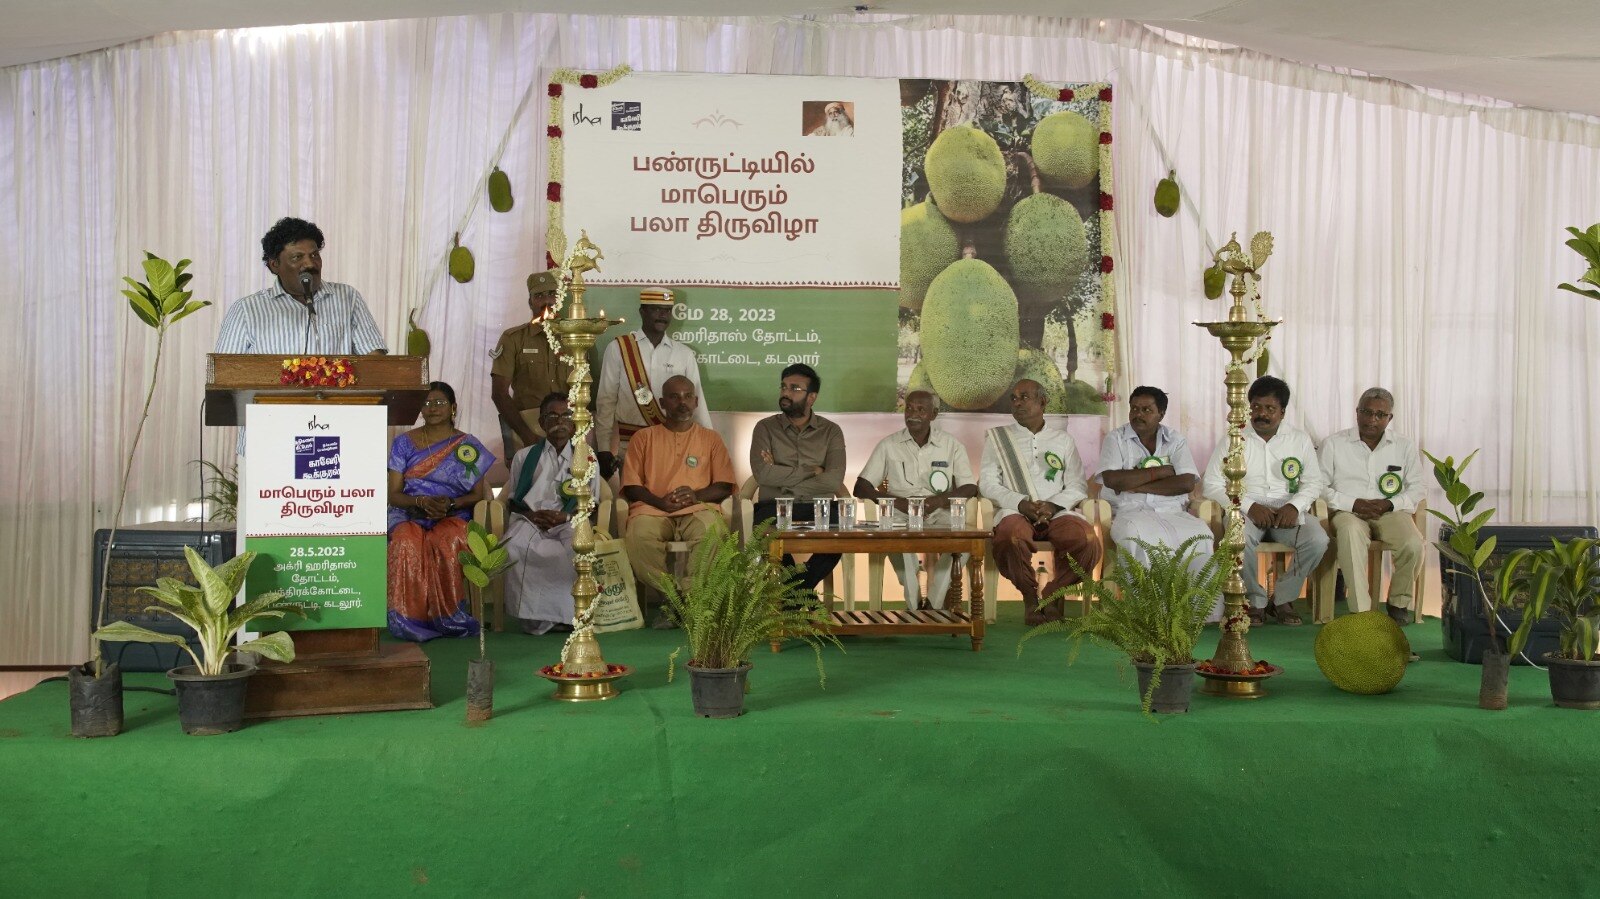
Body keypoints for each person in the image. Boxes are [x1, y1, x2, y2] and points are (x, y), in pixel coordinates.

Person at [1202, 375, 1329, 627]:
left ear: (1282, 412)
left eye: (1270, 409)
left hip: (1288, 511)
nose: (1262, 414)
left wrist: (1295, 506)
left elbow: (1314, 482)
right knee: (1237, 537)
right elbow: (1212, 483)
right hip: (1246, 510)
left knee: (1318, 539)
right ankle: (1255, 601)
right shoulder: (1233, 438)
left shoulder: (1299, 439)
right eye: (1256, 407)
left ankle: (1283, 598)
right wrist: (1249, 506)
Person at [979, 379, 1101, 625]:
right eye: (1013, 398)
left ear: (1043, 401)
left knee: (1087, 540)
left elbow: (1077, 484)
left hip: (1056, 512)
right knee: (1009, 537)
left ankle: (1053, 591)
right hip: (1016, 510)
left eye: (1025, 397)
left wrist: (1053, 505)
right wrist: (1020, 502)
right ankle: (1029, 597)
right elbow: (988, 484)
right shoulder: (998, 438)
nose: (1017, 403)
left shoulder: (1063, 440)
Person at [621, 375, 736, 625]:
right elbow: (630, 486)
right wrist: (660, 502)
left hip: (698, 508)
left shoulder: (711, 439)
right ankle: (670, 599)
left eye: (687, 397)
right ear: (662, 402)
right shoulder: (644, 438)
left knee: (713, 531)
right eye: (674, 397)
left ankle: (690, 600)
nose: (681, 402)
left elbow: (725, 485)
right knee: (638, 536)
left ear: (695, 402)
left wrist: (695, 496)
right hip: (653, 508)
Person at [386, 381, 495, 642]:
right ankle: (408, 620)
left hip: (453, 513)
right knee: (406, 542)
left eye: (439, 402)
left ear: (453, 407)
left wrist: (449, 505)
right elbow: (394, 494)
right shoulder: (403, 443)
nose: (432, 408)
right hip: (409, 511)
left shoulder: (468, 445)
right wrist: (421, 502)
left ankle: (447, 617)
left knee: (446, 542)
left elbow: (477, 495)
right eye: (426, 403)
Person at [1095, 386, 1217, 615]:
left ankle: (1197, 611)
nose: (1138, 415)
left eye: (1146, 410)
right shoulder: (1116, 438)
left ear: (1161, 414)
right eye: (1134, 409)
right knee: (1137, 537)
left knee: (1201, 536)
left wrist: (1135, 483)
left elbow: (1186, 483)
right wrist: (1160, 472)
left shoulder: (1175, 440)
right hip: (1129, 512)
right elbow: (1113, 479)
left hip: (1172, 511)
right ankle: (1148, 612)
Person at [854, 390, 978, 610]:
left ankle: (933, 601)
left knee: (967, 543)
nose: (913, 414)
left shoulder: (951, 445)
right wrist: (895, 502)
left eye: (921, 410)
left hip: (940, 513)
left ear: (934, 414)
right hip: (900, 514)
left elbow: (969, 487)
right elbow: (861, 487)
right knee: (897, 536)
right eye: (909, 408)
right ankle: (914, 604)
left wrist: (939, 501)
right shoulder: (889, 444)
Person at [1318, 387, 1426, 624]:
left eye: (1380, 415)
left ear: (1390, 418)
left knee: (1413, 544)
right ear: (1357, 412)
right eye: (1367, 412)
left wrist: (1389, 503)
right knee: (1349, 533)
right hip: (1348, 511)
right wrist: (1353, 502)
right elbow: (1319, 487)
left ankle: (1398, 603)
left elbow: (1417, 488)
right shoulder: (1334, 444)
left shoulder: (1404, 446)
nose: (1372, 419)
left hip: (1389, 511)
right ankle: (1361, 611)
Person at [215, 216, 387, 356]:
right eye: (297, 257)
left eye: (314, 255)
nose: (309, 264)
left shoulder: (347, 297)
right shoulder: (246, 310)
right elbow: (224, 375)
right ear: (275, 265)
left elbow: (374, 362)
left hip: (336, 398)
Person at [500, 393, 598, 635]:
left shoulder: (586, 457)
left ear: (574, 421)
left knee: (577, 548)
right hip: (531, 520)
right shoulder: (524, 457)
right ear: (542, 423)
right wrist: (532, 516)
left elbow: (592, 502)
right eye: (552, 416)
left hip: (569, 520)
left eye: (566, 415)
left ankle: (569, 616)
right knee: (512, 547)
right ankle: (533, 619)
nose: (559, 421)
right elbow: (513, 500)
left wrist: (564, 518)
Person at [750, 364, 847, 592]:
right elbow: (762, 474)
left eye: (795, 388)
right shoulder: (765, 428)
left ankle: (794, 596)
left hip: (820, 506)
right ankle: (802, 598)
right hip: (773, 507)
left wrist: (781, 475)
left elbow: (833, 481)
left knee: (840, 536)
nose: (785, 393)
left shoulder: (831, 431)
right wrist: (812, 470)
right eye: (784, 387)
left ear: (812, 397)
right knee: (766, 536)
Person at [595, 287, 710, 479]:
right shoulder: (618, 348)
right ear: (642, 311)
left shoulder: (684, 353)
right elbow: (606, 401)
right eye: (656, 309)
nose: (662, 316)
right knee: (634, 502)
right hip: (631, 443)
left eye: (666, 311)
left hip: (675, 444)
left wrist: (708, 444)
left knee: (673, 500)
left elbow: (696, 402)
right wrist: (604, 449)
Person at [490, 269, 577, 462]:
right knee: (525, 488)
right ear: (530, 302)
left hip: (567, 429)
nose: (547, 301)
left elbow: (583, 393)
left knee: (567, 488)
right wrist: (526, 435)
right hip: (527, 427)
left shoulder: (575, 339)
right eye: (539, 296)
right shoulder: (513, 339)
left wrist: (575, 434)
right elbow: (499, 393)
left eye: (552, 294)